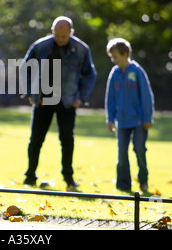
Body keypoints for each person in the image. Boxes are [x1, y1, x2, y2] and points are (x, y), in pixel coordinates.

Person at [21, 16, 97, 189]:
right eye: (57, 35)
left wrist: (81, 97)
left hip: (68, 100)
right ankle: (30, 176)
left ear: (70, 32)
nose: (60, 39)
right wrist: (31, 92)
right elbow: (26, 67)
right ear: (52, 31)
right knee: (36, 139)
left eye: (64, 36)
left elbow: (90, 74)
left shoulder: (81, 49)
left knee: (67, 139)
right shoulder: (40, 46)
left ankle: (69, 178)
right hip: (43, 99)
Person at [104, 38, 154, 192]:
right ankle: (123, 185)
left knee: (139, 149)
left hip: (139, 120)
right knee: (122, 155)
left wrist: (147, 117)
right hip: (122, 121)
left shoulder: (137, 71)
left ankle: (143, 181)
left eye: (115, 56)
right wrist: (110, 118)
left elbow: (146, 95)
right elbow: (110, 98)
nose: (113, 60)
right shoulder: (115, 73)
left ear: (125, 54)